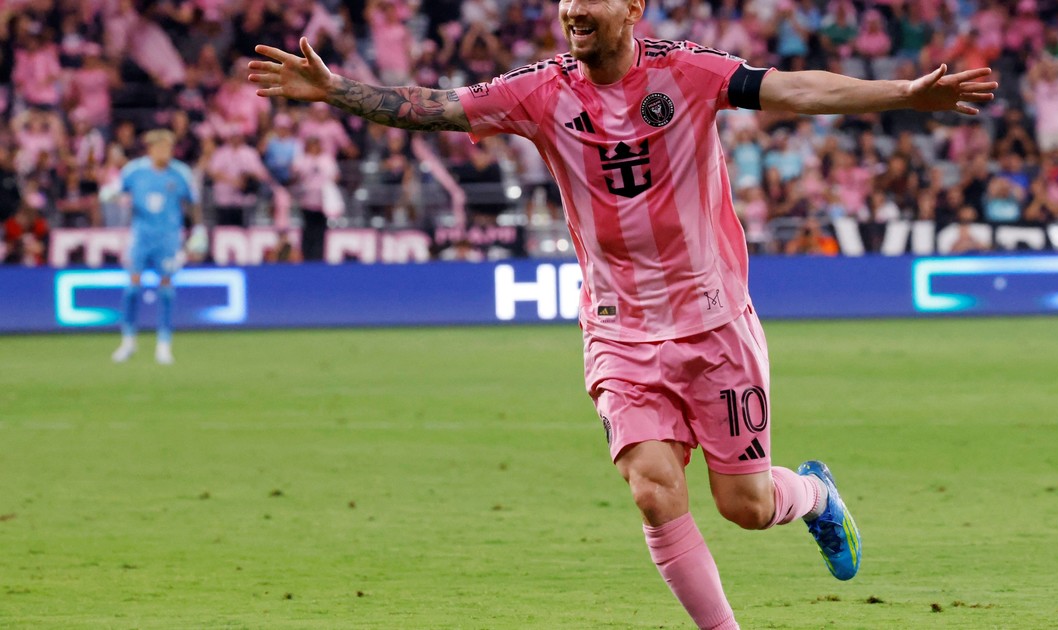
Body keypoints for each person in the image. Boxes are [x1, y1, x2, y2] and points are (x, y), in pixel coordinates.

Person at [248, 2, 996, 627]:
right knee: (651, 489)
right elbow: (436, 107)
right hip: (618, 330)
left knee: (745, 504)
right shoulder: (540, 91)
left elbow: (795, 90)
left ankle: (817, 496)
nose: (575, 9)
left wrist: (904, 93)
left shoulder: (689, 72)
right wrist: (336, 90)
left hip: (714, 324)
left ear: (633, 7)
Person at [102, 129, 201, 365]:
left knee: (166, 290)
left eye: (169, 148)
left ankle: (164, 344)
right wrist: (110, 193)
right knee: (132, 289)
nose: (166, 152)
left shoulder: (180, 173)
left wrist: (198, 230)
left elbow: (193, 203)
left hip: (168, 238)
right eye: (162, 147)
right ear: (151, 149)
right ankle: (128, 340)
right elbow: (114, 189)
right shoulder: (134, 171)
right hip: (141, 237)